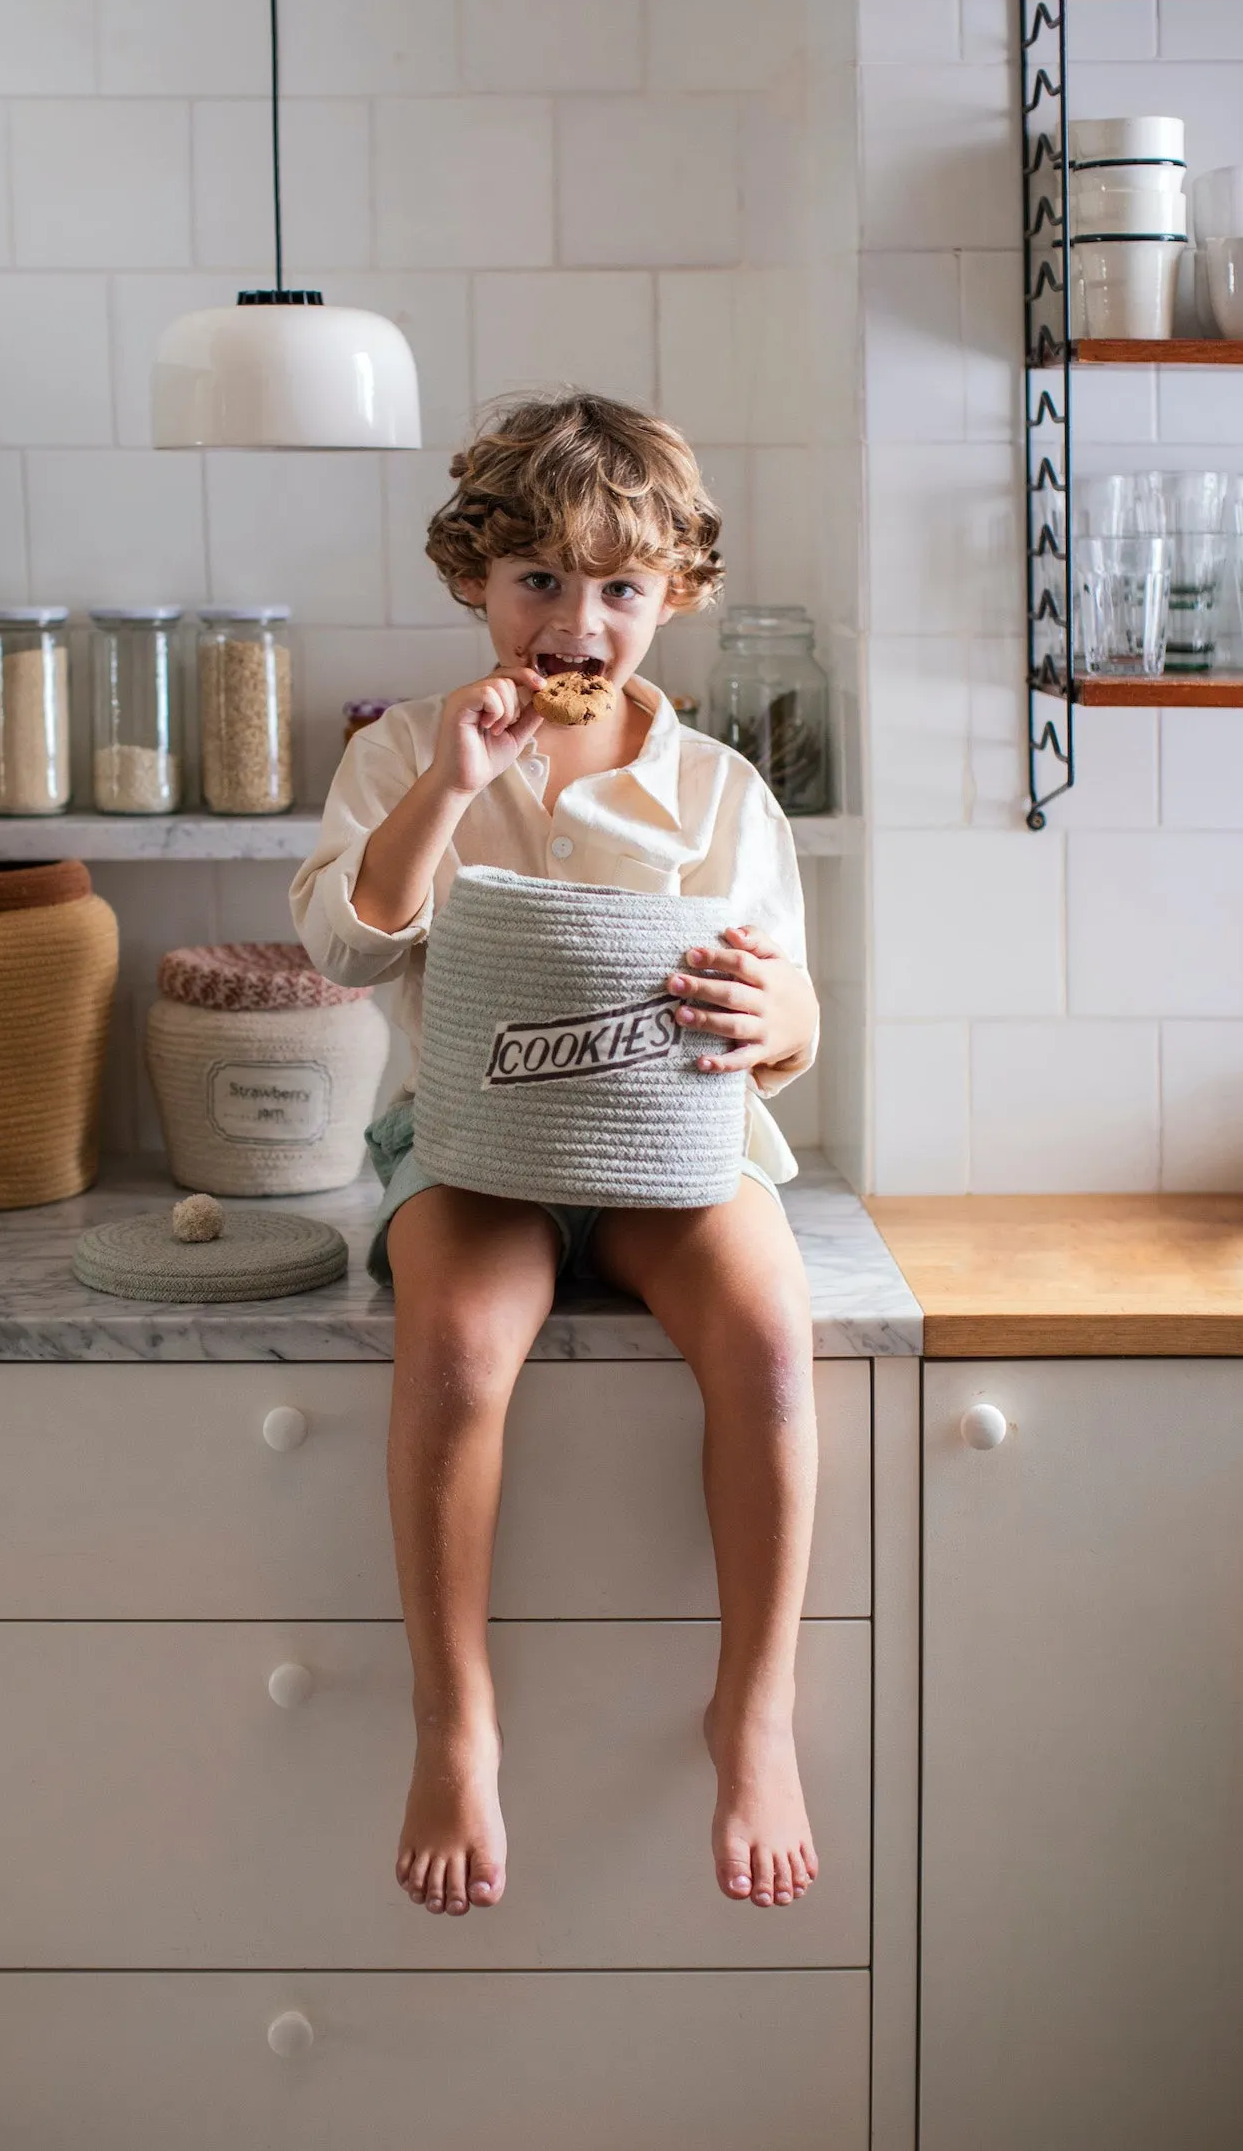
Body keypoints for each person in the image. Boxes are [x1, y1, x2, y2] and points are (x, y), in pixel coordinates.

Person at [290, 393, 821, 1923]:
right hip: (473, 1150)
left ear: (672, 599)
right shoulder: (407, 751)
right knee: (454, 1348)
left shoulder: (722, 789)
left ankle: (755, 1708)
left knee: (773, 1342)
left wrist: (785, 1014)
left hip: (675, 1143)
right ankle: (455, 1718)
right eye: (538, 578)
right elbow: (340, 941)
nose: (577, 621)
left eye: (619, 589)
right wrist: (452, 786)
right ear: (474, 579)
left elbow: (784, 1019)